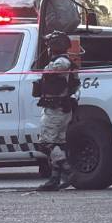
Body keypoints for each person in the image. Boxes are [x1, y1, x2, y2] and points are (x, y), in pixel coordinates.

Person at [34, 31, 80, 191]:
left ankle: (68, 169)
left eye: (49, 45)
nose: (47, 48)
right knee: (58, 144)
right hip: (60, 108)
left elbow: (51, 72)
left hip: (56, 109)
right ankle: (54, 179)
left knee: (47, 143)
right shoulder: (63, 62)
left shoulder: (60, 63)